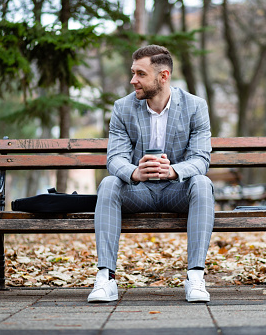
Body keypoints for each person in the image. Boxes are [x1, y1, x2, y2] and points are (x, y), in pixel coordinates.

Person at [88, 45, 215, 303]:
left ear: (163, 76)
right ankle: (105, 278)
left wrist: (174, 171)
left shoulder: (195, 106)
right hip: (139, 192)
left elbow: (201, 159)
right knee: (109, 183)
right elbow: (114, 159)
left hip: (176, 190)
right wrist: (135, 172)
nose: (132, 80)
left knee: (202, 183)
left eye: (140, 74)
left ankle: (195, 277)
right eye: (133, 73)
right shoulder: (123, 108)